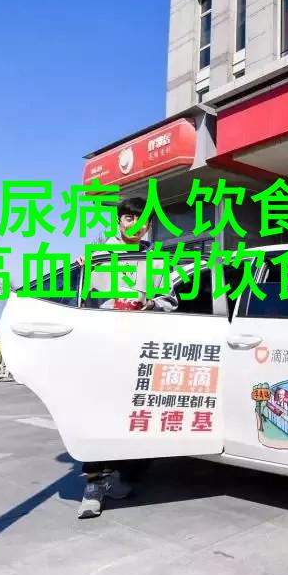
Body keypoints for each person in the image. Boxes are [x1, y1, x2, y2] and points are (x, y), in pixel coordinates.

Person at [78, 197, 175, 519]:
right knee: (99, 413)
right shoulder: (98, 256)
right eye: (129, 218)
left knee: (132, 412)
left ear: (150, 224)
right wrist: (86, 273)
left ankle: (117, 476)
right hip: (104, 344)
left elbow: (170, 298)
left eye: (142, 219)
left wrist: (150, 305)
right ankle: (93, 486)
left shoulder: (157, 259)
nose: (135, 224)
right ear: (119, 221)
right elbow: (81, 298)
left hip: (140, 345)